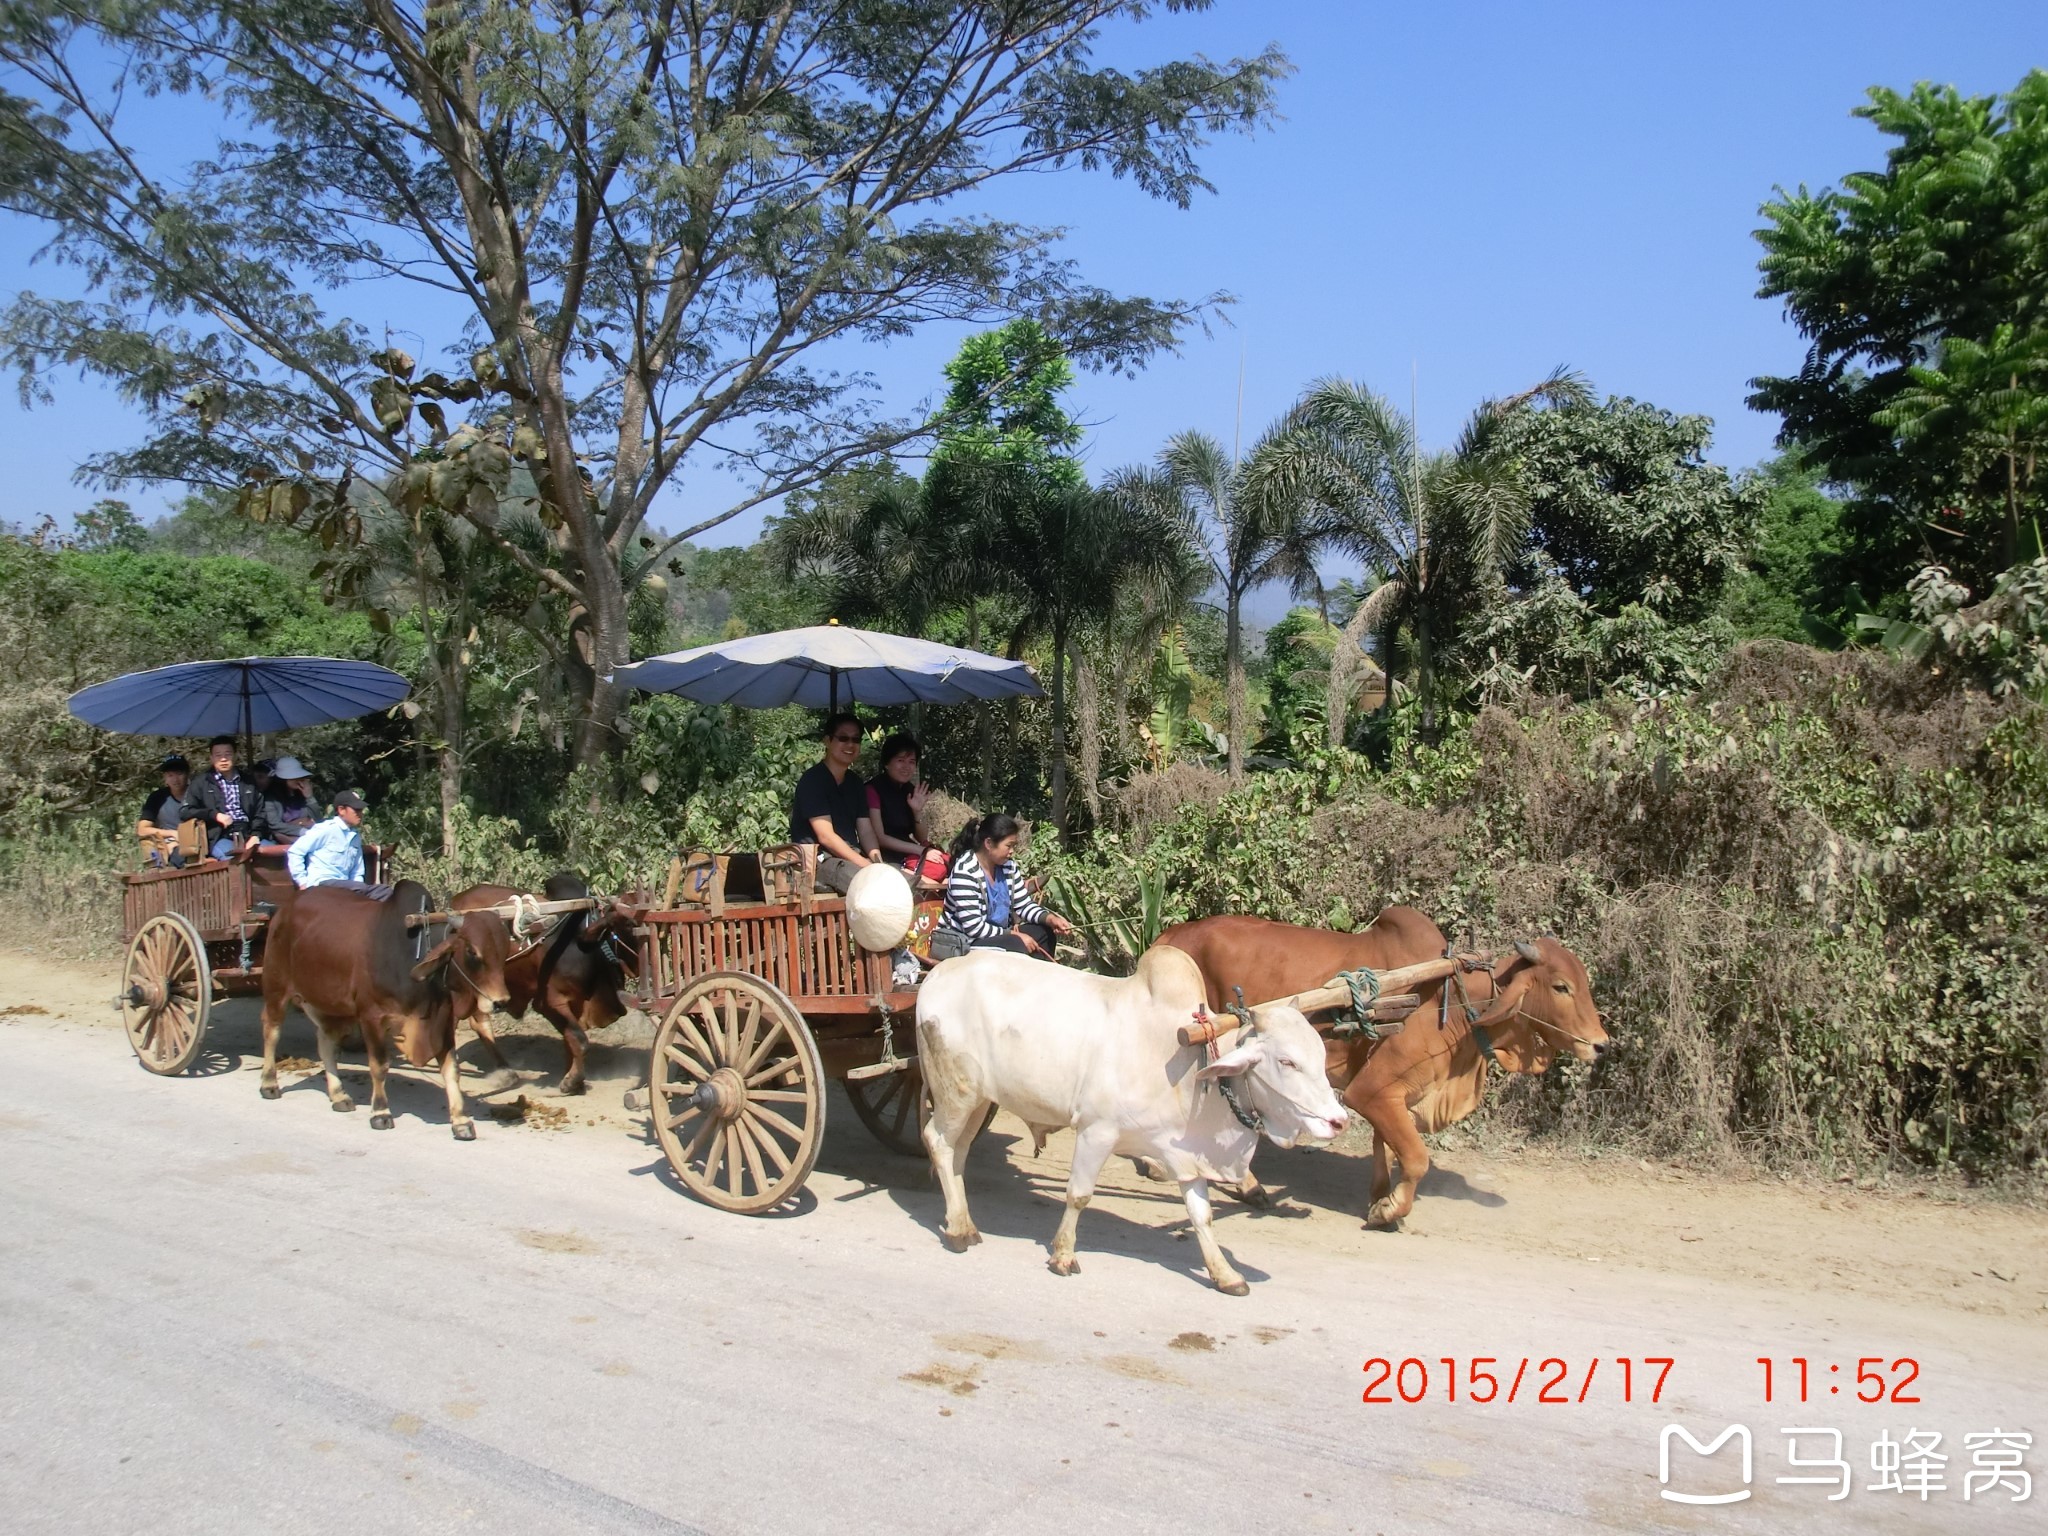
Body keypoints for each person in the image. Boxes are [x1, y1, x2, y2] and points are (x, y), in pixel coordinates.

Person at [939, 813, 1073, 959]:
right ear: (989, 843)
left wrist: (1050, 919)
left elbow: (1023, 906)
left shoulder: (1008, 867)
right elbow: (974, 928)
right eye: (1008, 846)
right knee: (1018, 945)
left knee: (1045, 933)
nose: (1012, 851)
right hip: (965, 941)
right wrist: (1014, 934)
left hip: (998, 934)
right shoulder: (965, 872)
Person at [790, 712, 881, 895]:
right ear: (827, 741)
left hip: (851, 857)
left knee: (900, 879)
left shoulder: (855, 782)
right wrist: (867, 866)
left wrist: (878, 863)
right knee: (870, 886)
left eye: (856, 739)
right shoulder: (813, 780)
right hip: (818, 861)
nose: (850, 744)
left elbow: (865, 830)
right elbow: (826, 837)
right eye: (843, 738)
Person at [864, 732, 945, 885]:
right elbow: (880, 838)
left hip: (908, 855)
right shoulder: (872, 790)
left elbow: (922, 838)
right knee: (929, 884)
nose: (906, 767)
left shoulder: (910, 790)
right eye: (900, 760)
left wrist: (917, 810)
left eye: (911, 762)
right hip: (884, 857)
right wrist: (921, 851)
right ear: (887, 763)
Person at [181, 735, 258, 860]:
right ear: (211, 758)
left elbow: (260, 812)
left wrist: (256, 835)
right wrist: (214, 815)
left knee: (275, 856)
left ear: (235, 755)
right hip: (219, 836)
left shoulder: (248, 781)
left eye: (228, 754)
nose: (223, 759)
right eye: (218, 755)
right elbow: (185, 811)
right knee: (236, 860)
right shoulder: (201, 782)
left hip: (248, 832)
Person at [287, 790, 370, 889]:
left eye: (360, 810)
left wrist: (359, 891)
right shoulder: (326, 829)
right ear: (341, 810)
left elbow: (357, 871)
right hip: (322, 884)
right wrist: (302, 881)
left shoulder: (355, 837)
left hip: (346, 886)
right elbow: (295, 851)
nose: (360, 814)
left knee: (385, 892)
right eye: (356, 810)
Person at [136, 754, 190, 868]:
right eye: (170, 775)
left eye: (179, 774)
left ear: (187, 774)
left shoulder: (196, 793)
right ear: (165, 778)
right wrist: (172, 834)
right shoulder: (157, 798)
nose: (175, 779)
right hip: (168, 847)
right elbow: (142, 829)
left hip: (193, 842)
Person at [252, 756, 319, 846]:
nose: (298, 780)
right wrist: (301, 831)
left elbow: (318, 820)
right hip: (284, 840)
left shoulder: (302, 794)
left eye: (299, 776)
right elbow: (274, 824)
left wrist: (309, 797)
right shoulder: (270, 797)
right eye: (293, 777)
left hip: (308, 836)